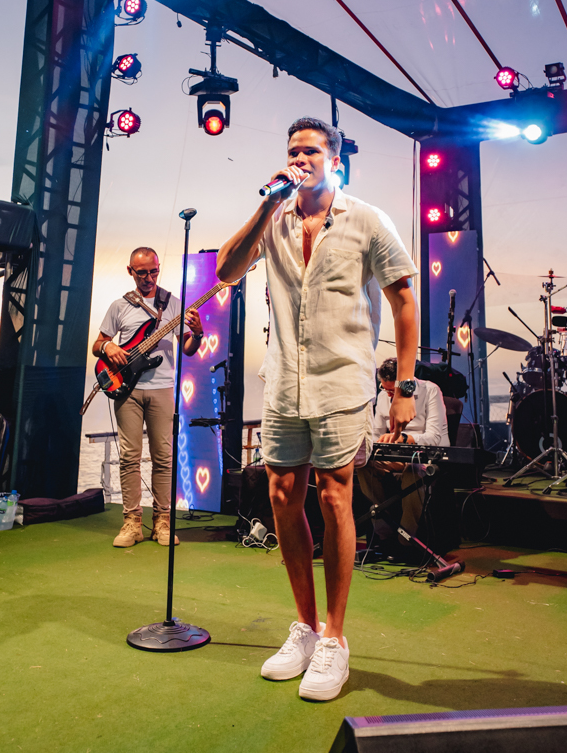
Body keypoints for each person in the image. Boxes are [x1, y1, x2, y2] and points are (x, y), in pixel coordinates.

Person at [217, 117, 418, 701]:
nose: (299, 159)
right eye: (292, 151)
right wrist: (265, 205)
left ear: (335, 161)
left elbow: (404, 303)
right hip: (284, 380)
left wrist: (404, 388)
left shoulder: (367, 220)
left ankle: (335, 637)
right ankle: (304, 629)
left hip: (342, 381)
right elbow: (227, 271)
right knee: (283, 494)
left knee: (334, 496)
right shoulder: (275, 217)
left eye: (310, 151)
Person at [92, 247, 203, 548]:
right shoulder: (120, 306)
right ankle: (132, 523)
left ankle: (162, 522)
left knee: (163, 457)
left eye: (153, 271)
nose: (149, 278)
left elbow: (188, 349)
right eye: (142, 273)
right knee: (129, 457)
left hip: (162, 387)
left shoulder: (174, 304)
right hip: (127, 388)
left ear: (158, 268)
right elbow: (98, 344)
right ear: (130, 271)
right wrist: (108, 347)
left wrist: (198, 333)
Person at [358, 358, 449, 552]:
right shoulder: (384, 396)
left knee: (413, 470)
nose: (389, 395)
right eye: (385, 390)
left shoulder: (430, 390)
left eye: (393, 391)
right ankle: (384, 533)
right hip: (396, 457)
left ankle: (406, 540)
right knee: (364, 465)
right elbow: (376, 434)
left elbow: (434, 437)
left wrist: (405, 438)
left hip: (427, 457)